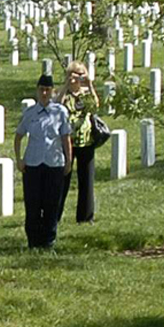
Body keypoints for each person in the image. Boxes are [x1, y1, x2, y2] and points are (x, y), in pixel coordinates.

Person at [15, 74, 74, 249]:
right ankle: (33, 241)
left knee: (51, 204)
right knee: (33, 204)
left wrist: (68, 160)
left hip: (54, 163)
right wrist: (19, 159)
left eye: (48, 90)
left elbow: (65, 138)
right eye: (41, 89)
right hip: (33, 163)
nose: (44, 93)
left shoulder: (60, 112)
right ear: (37, 91)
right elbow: (18, 136)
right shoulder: (30, 113)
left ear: (53, 91)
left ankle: (48, 240)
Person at [64, 62, 103, 225]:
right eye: (75, 74)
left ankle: (85, 217)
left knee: (86, 181)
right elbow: (57, 105)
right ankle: (56, 214)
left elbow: (95, 107)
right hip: (67, 142)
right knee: (63, 180)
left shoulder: (86, 94)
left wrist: (90, 84)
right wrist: (66, 84)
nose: (78, 78)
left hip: (86, 141)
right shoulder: (65, 94)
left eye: (81, 74)